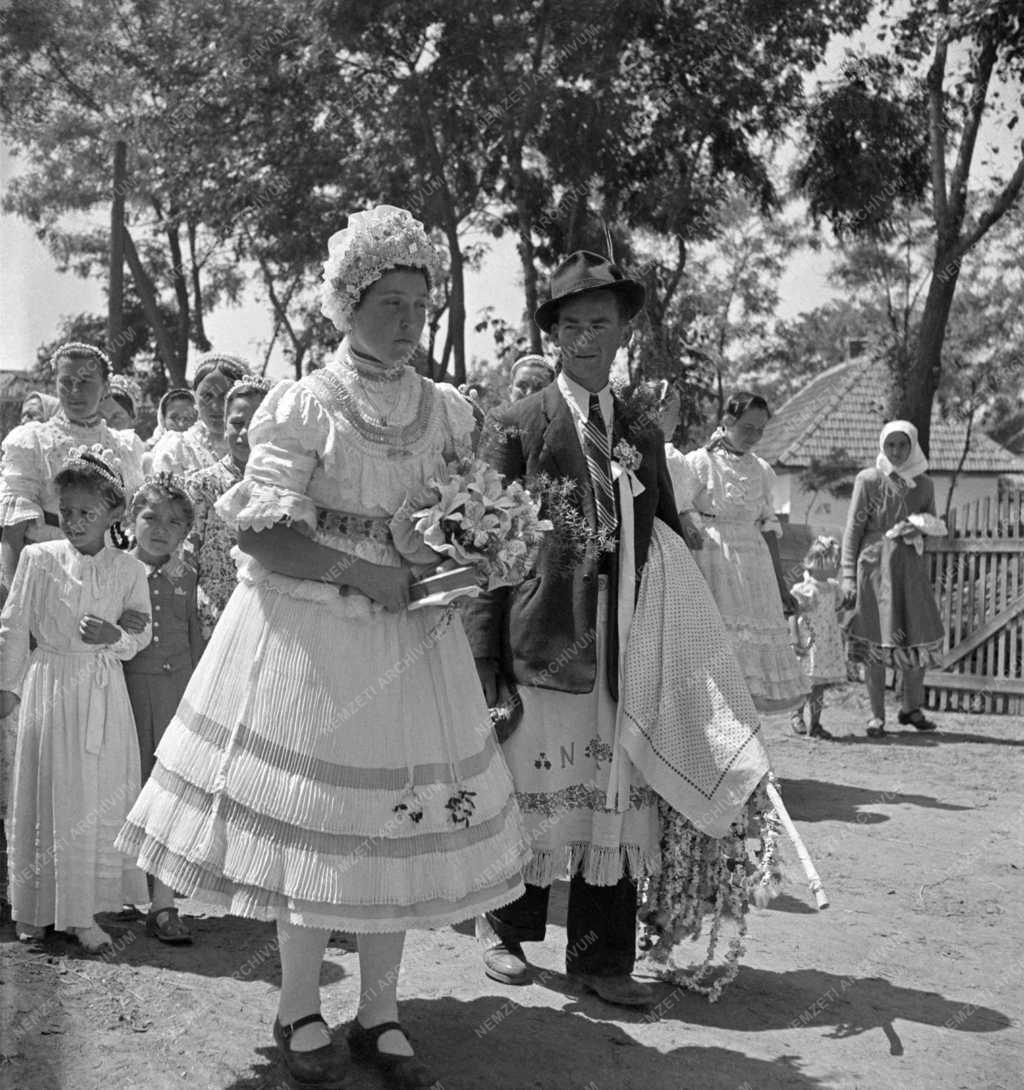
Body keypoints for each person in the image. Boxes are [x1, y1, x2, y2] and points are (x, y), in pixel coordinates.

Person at [116, 205, 526, 1090]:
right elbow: (259, 536)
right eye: (389, 302)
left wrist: (462, 548)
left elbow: (463, 514)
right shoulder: (306, 402)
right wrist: (362, 569)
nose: (409, 320)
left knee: (396, 820)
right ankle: (299, 1004)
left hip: (415, 642)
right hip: (317, 637)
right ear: (347, 305)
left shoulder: (447, 408)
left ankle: (380, 1011)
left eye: (421, 303)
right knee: (319, 826)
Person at [464, 250, 682, 1009]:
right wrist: (484, 662)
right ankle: (505, 927)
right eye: (571, 324)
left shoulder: (643, 433)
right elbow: (484, 556)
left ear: (626, 330)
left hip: (624, 650)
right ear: (553, 332)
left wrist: (676, 646)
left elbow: (669, 543)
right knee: (533, 791)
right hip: (544, 643)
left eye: (602, 322)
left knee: (610, 797)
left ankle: (600, 957)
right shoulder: (518, 424)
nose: (586, 337)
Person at [0, 450, 152, 952]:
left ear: (114, 514)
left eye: (88, 512)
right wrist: (8, 687)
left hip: (101, 692)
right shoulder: (37, 558)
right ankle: (35, 908)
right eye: (66, 511)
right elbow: (14, 625)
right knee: (47, 790)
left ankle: (81, 911)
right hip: (50, 684)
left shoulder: (129, 569)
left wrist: (115, 636)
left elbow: (141, 630)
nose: (75, 522)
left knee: (92, 794)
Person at [670, 391, 807, 713]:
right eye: (747, 428)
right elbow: (681, 512)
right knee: (718, 642)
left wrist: (780, 584)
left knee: (752, 651)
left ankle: (747, 716)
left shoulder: (761, 470)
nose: (754, 437)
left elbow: (769, 528)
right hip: (712, 561)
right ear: (727, 422)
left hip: (754, 569)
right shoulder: (699, 462)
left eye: (760, 430)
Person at [122, 475, 204, 943]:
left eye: (174, 522)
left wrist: (197, 698)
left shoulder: (186, 575)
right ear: (131, 519)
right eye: (150, 517)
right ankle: (114, 888)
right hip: (126, 691)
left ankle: (164, 902)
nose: (160, 529)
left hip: (175, 693)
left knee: (167, 791)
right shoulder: (117, 569)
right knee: (125, 784)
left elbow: (193, 634)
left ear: (186, 531)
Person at [0, 343, 145, 597]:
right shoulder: (33, 440)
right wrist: (13, 596)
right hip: (47, 574)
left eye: (86, 381)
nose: (75, 391)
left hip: (107, 574)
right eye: (66, 382)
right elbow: (13, 530)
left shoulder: (124, 446)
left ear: (105, 388)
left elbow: (132, 521)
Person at [841, 420, 944, 737]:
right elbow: (853, 529)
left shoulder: (924, 484)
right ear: (882, 447)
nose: (897, 451)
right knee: (875, 638)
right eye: (891, 445)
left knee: (919, 635)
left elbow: (935, 530)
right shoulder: (869, 479)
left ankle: (911, 708)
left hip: (910, 570)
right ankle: (876, 716)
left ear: (913, 446)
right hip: (874, 569)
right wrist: (847, 574)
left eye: (903, 445)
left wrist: (923, 528)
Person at [185, 376, 273, 637]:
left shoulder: (284, 488)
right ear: (224, 427)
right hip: (213, 616)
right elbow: (188, 556)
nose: (245, 433)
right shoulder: (203, 484)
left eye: (256, 423)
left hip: (267, 612)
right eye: (236, 423)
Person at [148, 354, 251, 477]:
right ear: (195, 397)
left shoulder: (260, 444)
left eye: (226, 396)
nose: (216, 407)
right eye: (207, 396)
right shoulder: (176, 449)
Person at [789, 536, 846, 740]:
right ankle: (797, 714)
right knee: (806, 682)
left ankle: (816, 723)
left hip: (826, 643)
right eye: (835, 562)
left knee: (819, 685)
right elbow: (793, 614)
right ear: (819, 562)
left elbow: (836, 610)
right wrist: (795, 637)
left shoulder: (833, 588)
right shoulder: (805, 589)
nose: (838, 567)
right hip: (810, 642)